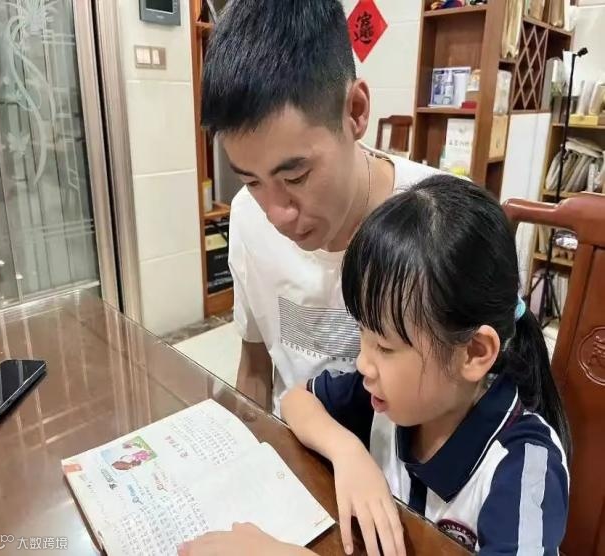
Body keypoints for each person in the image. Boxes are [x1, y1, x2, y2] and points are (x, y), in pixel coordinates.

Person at [179, 176, 571, 556]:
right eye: (362, 332)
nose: (363, 362)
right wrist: (348, 452)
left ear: (473, 352)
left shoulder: (525, 469)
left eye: (384, 346)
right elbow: (297, 400)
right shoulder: (391, 401)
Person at [201, 0, 439, 414]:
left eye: (295, 177)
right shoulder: (247, 216)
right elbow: (255, 366)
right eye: (251, 181)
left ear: (356, 111)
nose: (276, 214)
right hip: (292, 442)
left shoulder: (440, 222)